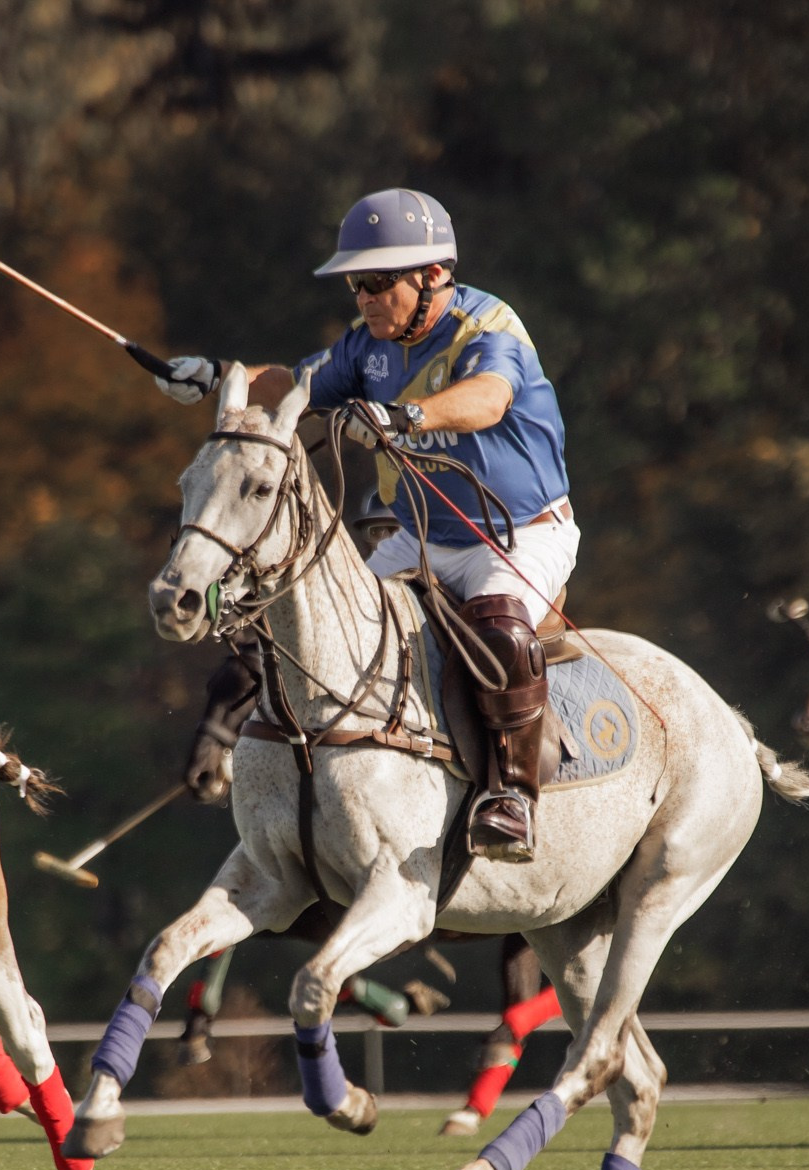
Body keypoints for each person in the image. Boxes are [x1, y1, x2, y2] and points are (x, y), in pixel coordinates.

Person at [153, 188, 576, 860]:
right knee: (312, 618)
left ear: (434, 273)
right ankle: (279, 756)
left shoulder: (488, 328)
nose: (365, 299)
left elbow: (488, 400)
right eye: (356, 285)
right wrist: (215, 376)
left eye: (378, 283)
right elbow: (291, 385)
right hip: (420, 534)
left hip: (518, 532)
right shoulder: (365, 349)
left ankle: (512, 795)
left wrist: (405, 416)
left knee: (498, 628)